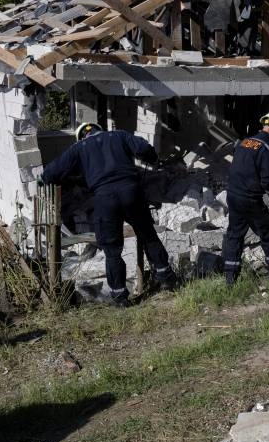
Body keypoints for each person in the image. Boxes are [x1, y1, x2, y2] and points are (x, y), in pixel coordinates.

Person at [40, 122, 176, 306]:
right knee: (148, 234)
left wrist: (43, 179)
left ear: (82, 136)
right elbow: (144, 148)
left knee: (112, 250)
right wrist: (153, 159)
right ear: (99, 130)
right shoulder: (119, 135)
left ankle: (120, 297)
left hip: (105, 199)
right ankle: (166, 277)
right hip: (131, 192)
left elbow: (52, 172)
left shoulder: (78, 148)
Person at [222, 110, 269, 286]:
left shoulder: (245, 142)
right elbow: (267, 182)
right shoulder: (268, 148)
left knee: (235, 234)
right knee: (267, 231)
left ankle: (230, 278)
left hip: (233, 195)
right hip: (249, 199)